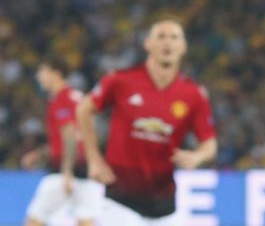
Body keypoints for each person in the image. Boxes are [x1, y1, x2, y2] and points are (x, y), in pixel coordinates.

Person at [76, 18, 217, 226]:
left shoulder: (193, 94)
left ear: (183, 46)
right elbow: (83, 108)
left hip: (165, 204)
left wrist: (198, 156)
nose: (167, 43)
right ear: (148, 44)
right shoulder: (121, 80)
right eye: (161, 37)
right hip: (120, 200)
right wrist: (94, 158)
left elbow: (210, 143)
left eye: (174, 37)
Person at [23, 57, 104, 226]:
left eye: (43, 72)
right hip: (87, 170)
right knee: (86, 221)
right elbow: (88, 132)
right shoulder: (77, 97)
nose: (39, 77)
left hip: (65, 172)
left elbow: (70, 134)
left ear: (56, 74)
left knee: (34, 220)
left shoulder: (61, 99)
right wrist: (38, 154)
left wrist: (67, 171)